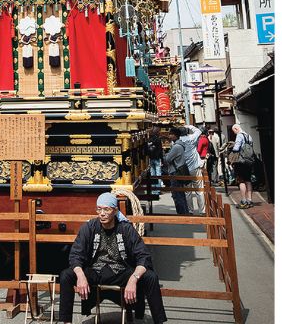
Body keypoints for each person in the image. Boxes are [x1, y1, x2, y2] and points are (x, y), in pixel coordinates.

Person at [58, 193, 167, 324]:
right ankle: (66, 322)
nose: (102, 213)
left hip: (120, 272)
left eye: (106, 209)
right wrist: (80, 275)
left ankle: (159, 321)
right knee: (66, 275)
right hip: (96, 271)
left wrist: (134, 279)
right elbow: (76, 254)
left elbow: (143, 256)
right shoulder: (90, 227)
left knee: (150, 277)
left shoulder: (126, 229)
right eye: (99, 209)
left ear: (115, 211)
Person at [176, 124, 204, 215]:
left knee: (187, 191)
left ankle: (190, 210)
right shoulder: (192, 138)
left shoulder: (178, 142)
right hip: (195, 167)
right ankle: (202, 210)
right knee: (199, 190)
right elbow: (199, 131)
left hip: (184, 169)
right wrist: (189, 126)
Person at [163, 127, 190, 215]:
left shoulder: (176, 147)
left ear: (175, 135)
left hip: (175, 172)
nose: (169, 136)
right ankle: (184, 212)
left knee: (177, 194)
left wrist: (165, 154)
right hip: (178, 171)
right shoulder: (179, 145)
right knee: (180, 194)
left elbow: (167, 159)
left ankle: (182, 213)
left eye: (171, 134)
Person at [230, 124, 255, 209]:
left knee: (241, 180)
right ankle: (250, 200)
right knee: (248, 180)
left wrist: (232, 147)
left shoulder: (239, 136)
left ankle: (244, 201)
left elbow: (236, 148)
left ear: (236, 129)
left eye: (234, 131)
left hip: (241, 161)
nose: (234, 133)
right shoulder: (248, 136)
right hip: (249, 161)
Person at [147, 127, 164, 191]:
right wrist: (162, 159)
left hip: (151, 158)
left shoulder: (148, 139)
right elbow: (160, 150)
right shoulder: (158, 140)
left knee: (152, 174)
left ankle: (153, 189)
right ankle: (158, 189)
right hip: (157, 158)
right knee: (158, 174)